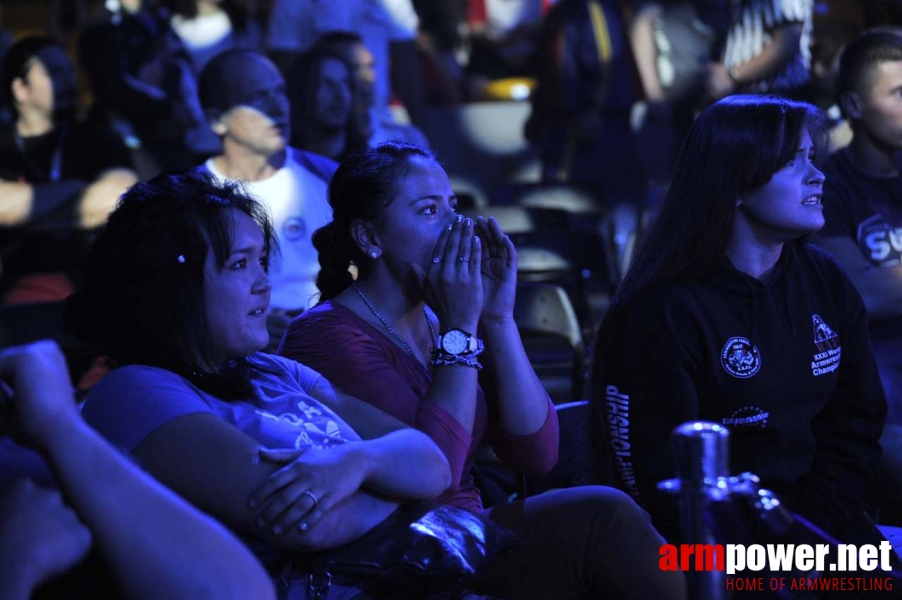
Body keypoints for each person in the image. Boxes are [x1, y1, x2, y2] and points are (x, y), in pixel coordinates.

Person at [278, 141, 686, 599]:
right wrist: (461, 326)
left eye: (455, 207)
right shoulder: (327, 336)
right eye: (430, 211)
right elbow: (434, 476)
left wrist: (497, 318)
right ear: (370, 238)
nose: (457, 227)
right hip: (400, 551)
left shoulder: (447, 317)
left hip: (467, 535)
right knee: (602, 517)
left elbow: (537, 453)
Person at [64, 169, 457, 595]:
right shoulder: (135, 390)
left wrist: (357, 464)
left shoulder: (275, 370)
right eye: (239, 264)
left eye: (261, 262)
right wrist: (398, 484)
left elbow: (433, 462)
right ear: (173, 286)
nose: (264, 284)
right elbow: (311, 523)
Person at [593, 95, 890, 551]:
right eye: (793, 163)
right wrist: (767, 552)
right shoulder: (664, 311)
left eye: (813, 158)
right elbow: (662, 484)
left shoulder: (824, 277)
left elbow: (856, 427)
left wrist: (810, 532)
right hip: (709, 549)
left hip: (820, 528)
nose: (818, 176)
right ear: (732, 183)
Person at [0, 340, 276, 600]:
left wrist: (60, 426)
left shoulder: (39, 442)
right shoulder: (134, 388)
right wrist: (15, 567)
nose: (263, 286)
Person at [198, 49, 338, 349]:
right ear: (216, 119)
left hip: (333, 340)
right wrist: (250, 320)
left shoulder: (329, 176)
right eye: (258, 98)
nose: (277, 107)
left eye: (280, 92)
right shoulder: (193, 198)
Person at [818, 28, 902, 526]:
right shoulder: (823, 186)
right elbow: (860, 296)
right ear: (853, 103)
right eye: (897, 94)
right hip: (875, 380)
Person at [0, 36, 137, 304]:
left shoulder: (98, 138)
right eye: (54, 72)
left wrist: (21, 210)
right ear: (21, 90)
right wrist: (79, 195)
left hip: (88, 292)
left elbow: (120, 197)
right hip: (10, 299)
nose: (68, 81)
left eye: (69, 71)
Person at [287, 46, 369, 162]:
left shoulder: (368, 166)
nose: (340, 95)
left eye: (345, 83)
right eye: (328, 84)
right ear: (305, 91)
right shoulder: (288, 163)